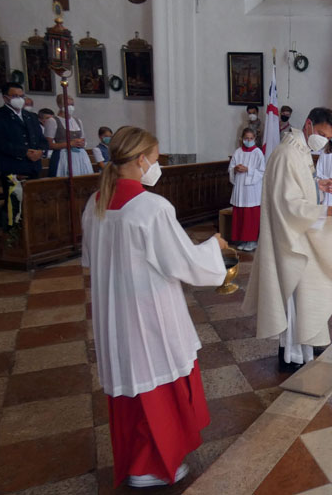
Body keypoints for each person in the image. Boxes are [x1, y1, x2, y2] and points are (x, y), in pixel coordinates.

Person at [81, 126, 228, 488]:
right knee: (157, 382)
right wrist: (215, 248)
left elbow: (90, 260)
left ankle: (136, 461)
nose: (157, 165)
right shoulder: (151, 207)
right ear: (140, 159)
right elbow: (184, 262)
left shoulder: (95, 202)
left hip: (113, 313)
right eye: (156, 158)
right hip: (148, 310)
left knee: (131, 383)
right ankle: (153, 466)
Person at [242, 107, 332, 372]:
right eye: (321, 134)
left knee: (306, 292)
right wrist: (329, 210)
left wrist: (319, 184)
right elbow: (287, 204)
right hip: (290, 239)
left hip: (301, 235)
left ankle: (306, 345)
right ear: (308, 125)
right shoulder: (286, 154)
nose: (323, 141)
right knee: (295, 295)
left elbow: (297, 187)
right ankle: (292, 355)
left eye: (327, 138)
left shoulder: (301, 151)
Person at [0, 83, 49, 209]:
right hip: (13, 168)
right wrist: (25, 152)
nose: (19, 99)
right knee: (15, 210)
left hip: (33, 167)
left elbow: (42, 139)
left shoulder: (31, 116)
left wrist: (40, 152)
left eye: (21, 96)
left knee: (33, 208)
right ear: (5, 98)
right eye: (15, 96)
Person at [228, 127, 265, 252]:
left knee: (251, 215)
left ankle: (252, 241)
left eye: (251, 138)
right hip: (240, 187)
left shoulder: (258, 153)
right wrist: (235, 169)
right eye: (246, 138)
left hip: (252, 190)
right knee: (240, 214)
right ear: (242, 139)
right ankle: (242, 240)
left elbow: (262, 171)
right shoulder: (238, 152)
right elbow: (231, 167)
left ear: (255, 139)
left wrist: (248, 169)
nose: (248, 140)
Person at [48, 94, 94, 177]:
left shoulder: (77, 121)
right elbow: (49, 145)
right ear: (60, 105)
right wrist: (70, 144)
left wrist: (82, 143)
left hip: (80, 156)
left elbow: (83, 138)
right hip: (63, 155)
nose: (70, 107)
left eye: (72, 105)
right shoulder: (53, 121)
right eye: (67, 105)